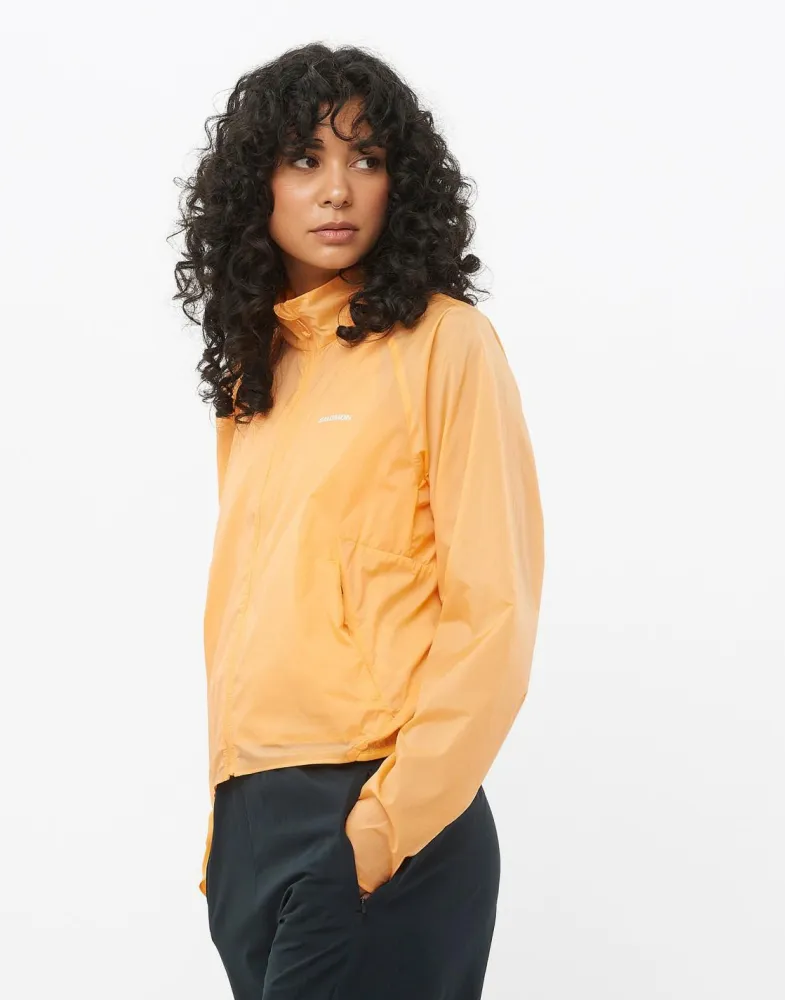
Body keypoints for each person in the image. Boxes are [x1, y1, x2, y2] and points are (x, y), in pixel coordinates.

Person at [171, 42, 545, 1000]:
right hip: (252, 825)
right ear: (256, 185)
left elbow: (494, 617)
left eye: (365, 159)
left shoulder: (446, 344)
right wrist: (228, 837)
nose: (337, 188)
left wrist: (374, 838)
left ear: (398, 184)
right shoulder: (256, 377)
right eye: (305, 159)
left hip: (381, 816)